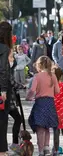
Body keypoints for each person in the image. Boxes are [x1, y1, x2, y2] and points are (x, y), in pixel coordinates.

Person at [26, 56, 60, 155]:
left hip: (40, 103)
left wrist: (28, 97)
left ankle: (40, 151)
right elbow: (57, 91)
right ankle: (47, 148)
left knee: (40, 128)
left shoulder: (37, 76)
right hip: (50, 103)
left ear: (39, 65)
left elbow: (32, 90)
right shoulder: (52, 76)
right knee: (47, 127)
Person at [8, 49, 26, 152]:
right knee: (18, 119)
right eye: (11, 57)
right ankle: (14, 144)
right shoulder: (5, 69)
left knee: (16, 119)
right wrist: (22, 86)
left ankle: (13, 144)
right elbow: (12, 82)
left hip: (8, 99)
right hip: (7, 101)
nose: (13, 59)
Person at [0, 21, 12, 155]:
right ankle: (2, 151)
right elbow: (3, 70)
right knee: (2, 121)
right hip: (1, 88)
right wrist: (3, 90)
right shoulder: (4, 48)